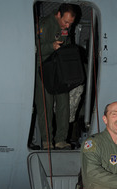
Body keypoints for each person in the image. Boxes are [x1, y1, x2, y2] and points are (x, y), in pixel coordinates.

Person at [35, 4, 76, 150]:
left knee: (63, 105)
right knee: (45, 106)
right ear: (58, 14)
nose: (67, 25)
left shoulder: (66, 27)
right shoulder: (44, 24)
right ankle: (47, 141)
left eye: (70, 23)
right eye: (65, 21)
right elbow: (34, 46)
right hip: (44, 69)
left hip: (60, 70)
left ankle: (61, 139)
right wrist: (50, 46)